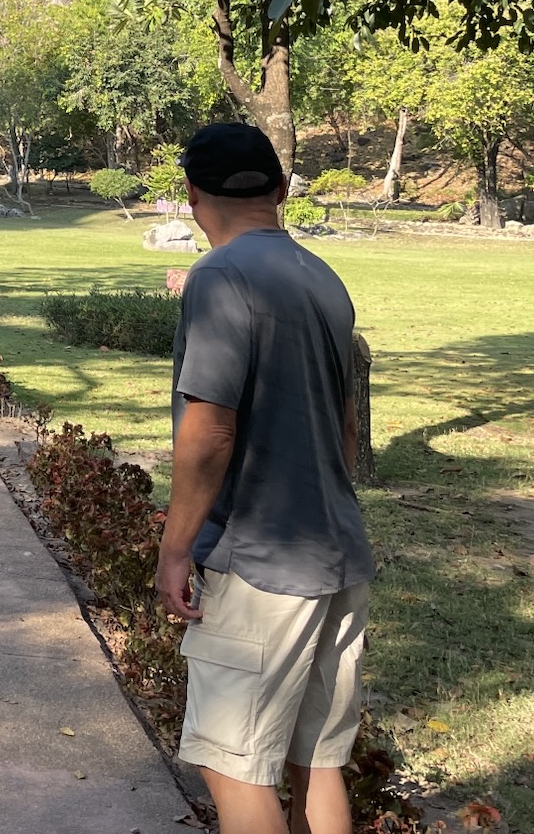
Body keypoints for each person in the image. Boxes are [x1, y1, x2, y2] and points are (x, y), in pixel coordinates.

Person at [155, 122, 374, 834]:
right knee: (317, 763)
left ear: (192, 195)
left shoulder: (219, 275)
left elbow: (210, 432)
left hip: (259, 564)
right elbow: (346, 426)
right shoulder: (322, 276)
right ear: (280, 191)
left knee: (236, 766)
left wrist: (175, 549)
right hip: (337, 551)